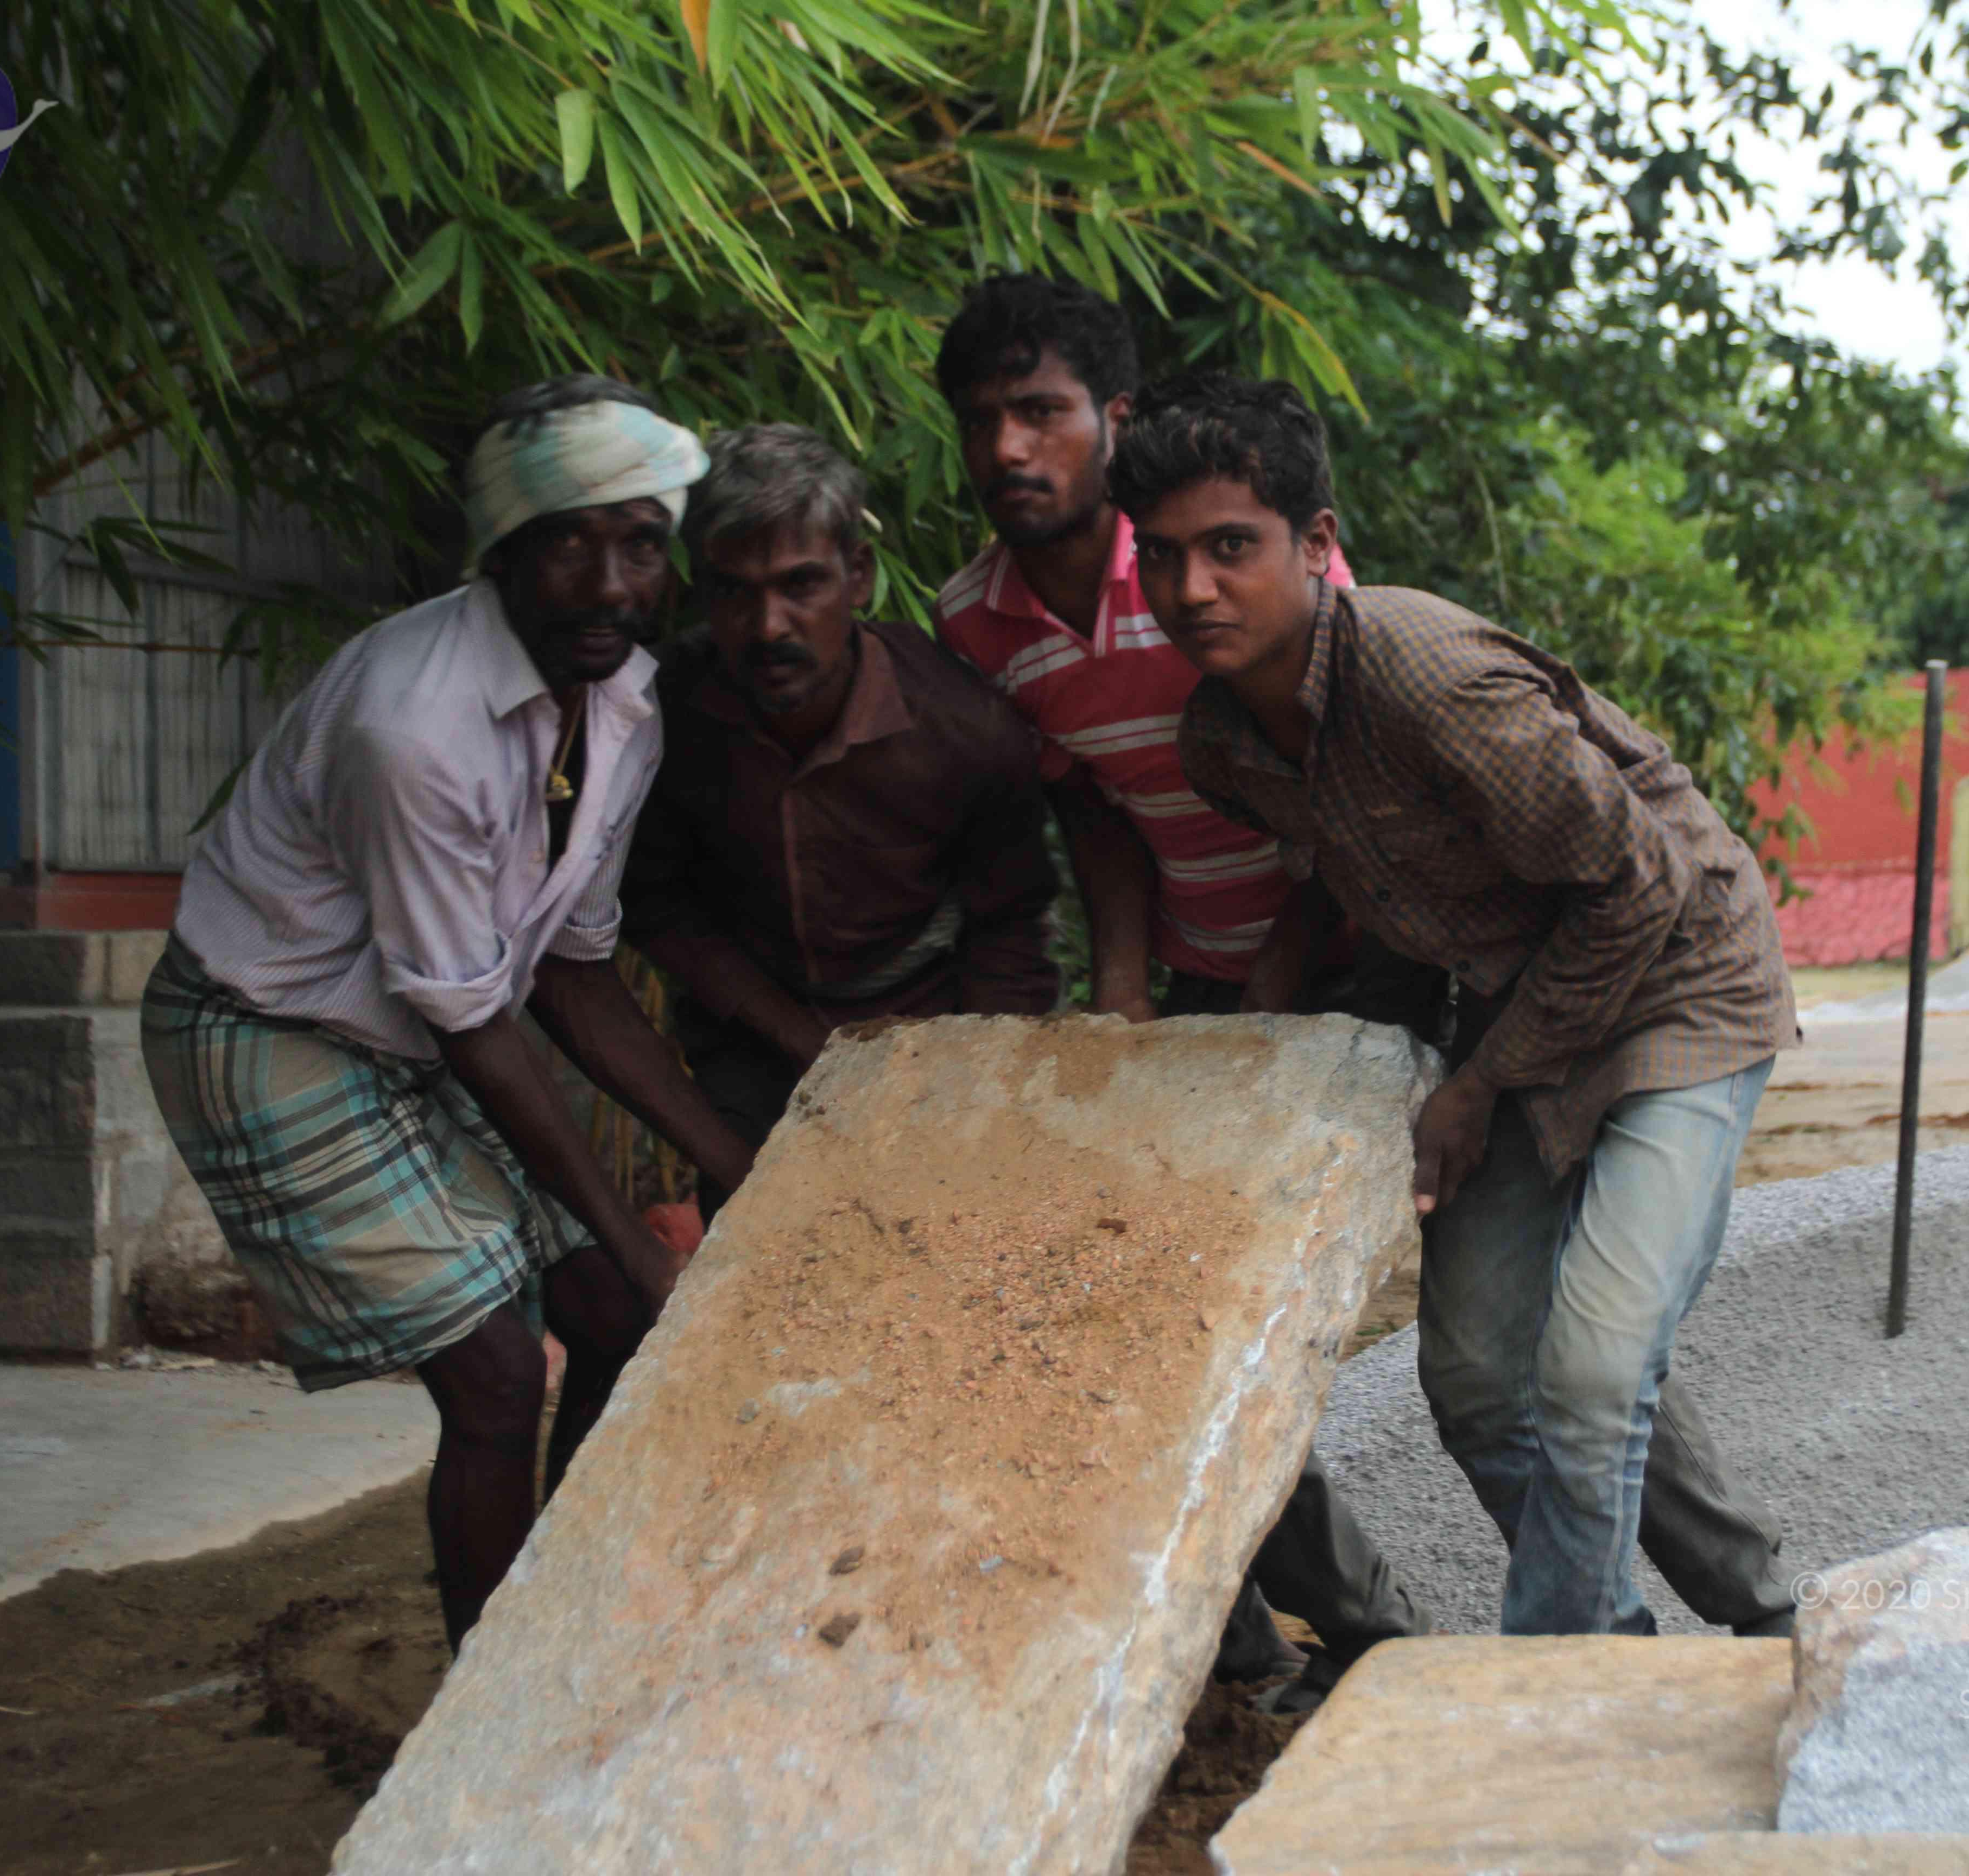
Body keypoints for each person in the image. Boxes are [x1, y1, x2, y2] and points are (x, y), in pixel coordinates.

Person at [1117, 373, 1801, 1638]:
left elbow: (1640, 887)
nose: (1193, 589)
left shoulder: (1428, 677)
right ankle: (1649, 1643)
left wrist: (1474, 1090)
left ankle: (1576, 1674)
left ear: (1316, 544)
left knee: (1594, 1371)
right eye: (1161, 557)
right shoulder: (1224, 745)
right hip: (1516, 997)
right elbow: (1374, 902)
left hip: (1678, 979)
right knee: (1484, 1383)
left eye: (1231, 549)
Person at [141, 375, 759, 1650]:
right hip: (262, 1028)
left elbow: (574, 974)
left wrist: (741, 1163)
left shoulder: (623, 704)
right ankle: (492, 1695)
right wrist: (640, 1242)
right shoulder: (413, 725)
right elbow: (478, 1022)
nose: (609, 585)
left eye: (642, 545)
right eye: (567, 545)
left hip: (412, 1027)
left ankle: (563, 1623)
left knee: (612, 1316)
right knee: (495, 1376)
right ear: (503, 554)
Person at [930, 275, 1433, 1704]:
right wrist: (1128, 991)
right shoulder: (974, 618)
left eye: (1043, 411)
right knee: (1172, 1325)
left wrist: (1279, 970)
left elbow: (1349, 763)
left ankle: (1401, 1642)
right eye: (982, 419)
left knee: (1303, 1327)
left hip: (1360, 963)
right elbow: (1087, 802)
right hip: (1204, 982)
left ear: (1115, 416)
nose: (1011, 448)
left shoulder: (1223, 557)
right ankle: (1261, 1652)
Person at [623, 424, 1060, 1173]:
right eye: (734, 591)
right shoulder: (660, 718)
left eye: (800, 586)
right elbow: (658, 907)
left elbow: (1010, 927)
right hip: (753, 1031)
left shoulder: (963, 725)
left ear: (857, 576)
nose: (768, 627)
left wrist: (978, 1082)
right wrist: (797, 1039)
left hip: (929, 1022)